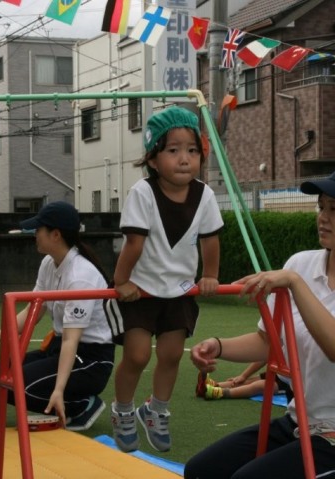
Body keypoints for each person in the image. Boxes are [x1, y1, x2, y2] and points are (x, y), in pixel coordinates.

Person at [185, 165, 335, 479]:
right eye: (321, 207)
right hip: (302, 421)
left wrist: (294, 283)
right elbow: (270, 342)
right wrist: (218, 346)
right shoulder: (301, 264)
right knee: (201, 471)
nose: (323, 217)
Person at [105, 107, 223, 453]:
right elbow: (134, 242)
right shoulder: (142, 192)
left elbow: (211, 240)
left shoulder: (205, 195)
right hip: (140, 291)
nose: (184, 158)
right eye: (173, 150)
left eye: (192, 150)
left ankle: (156, 410)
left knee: (171, 355)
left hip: (180, 290)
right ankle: (123, 411)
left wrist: (211, 275)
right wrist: (120, 281)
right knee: (138, 355)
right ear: (153, 159)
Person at [0, 201, 115, 431]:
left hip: (90, 359)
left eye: (38, 229)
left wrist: (58, 390)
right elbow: (33, 311)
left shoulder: (80, 276)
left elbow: (71, 339)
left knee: (18, 385)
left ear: (55, 235)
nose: (34, 234)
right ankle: (69, 399)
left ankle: (81, 405)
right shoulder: (49, 263)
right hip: (58, 347)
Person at [195, 361, 293, 402]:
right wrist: (243, 376)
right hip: (278, 372)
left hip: (290, 382)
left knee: (259, 386)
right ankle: (212, 385)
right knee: (245, 381)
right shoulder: (281, 339)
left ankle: (220, 393)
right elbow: (264, 357)